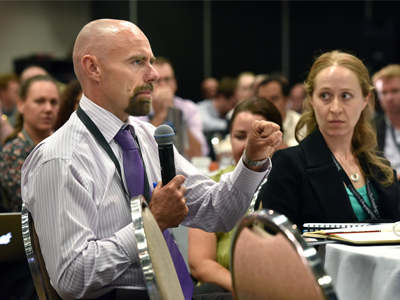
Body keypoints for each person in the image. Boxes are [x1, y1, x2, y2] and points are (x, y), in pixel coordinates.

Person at [21, 19, 282, 300]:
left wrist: (252, 160)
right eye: (137, 62)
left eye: (151, 61)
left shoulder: (146, 137)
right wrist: (150, 225)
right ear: (93, 68)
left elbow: (219, 213)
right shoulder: (59, 158)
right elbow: (71, 277)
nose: (154, 74)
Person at [257, 51, 400, 232]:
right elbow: (276, 247)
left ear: (364, 100)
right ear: (311, 99)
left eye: (346, 96)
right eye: (325, 96)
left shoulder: (382, 167)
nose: (335, 108)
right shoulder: (290, 164)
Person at [188, 97, 286, 295]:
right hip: (226, 289)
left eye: (258, 136)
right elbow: (200, 263)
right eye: (240, 136)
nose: (248, 145)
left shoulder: (288, 183)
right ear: (229, 138)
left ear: (277, 140)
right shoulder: (210, 183)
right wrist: (248, 292)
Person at [0, 75, 60, 212]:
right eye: (39, 101)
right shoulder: (12, 152)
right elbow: (34, 204)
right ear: (21, 105)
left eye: (54, 102)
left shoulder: (68, 143)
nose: (48, 109)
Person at [135, 57, 208, 158]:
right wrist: (161, 114)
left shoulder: (189, 108)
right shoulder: (138, 109)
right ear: (148, 84)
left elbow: (199, 154)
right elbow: (141, 151)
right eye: (157, 80)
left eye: (167, 79)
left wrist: (176, 115)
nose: (163, 85)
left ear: (175, 83)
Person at [371, 64, 400, 180]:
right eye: (383, 93)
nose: (389, 98)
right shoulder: (371, 127)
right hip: (388, 189)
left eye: (395, 91)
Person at [257, 76, 301, 147]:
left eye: (274, 98)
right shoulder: (251, 123)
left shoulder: (301, 124)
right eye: (263, 100)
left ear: (286, 100)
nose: (268, 104)